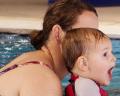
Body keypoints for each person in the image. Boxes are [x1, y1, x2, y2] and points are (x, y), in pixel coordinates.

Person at [0, 0, 98, 96]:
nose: (94, 44)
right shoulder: (43, 80)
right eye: (86, 34)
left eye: (96, 35)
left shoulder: (29, 59)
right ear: (57, 33)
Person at [62, 28, 116, 96]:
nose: (114, 58)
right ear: (84, 64)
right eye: (105, 54)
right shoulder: (86, 86)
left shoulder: (81, 84)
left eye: (111, 52)